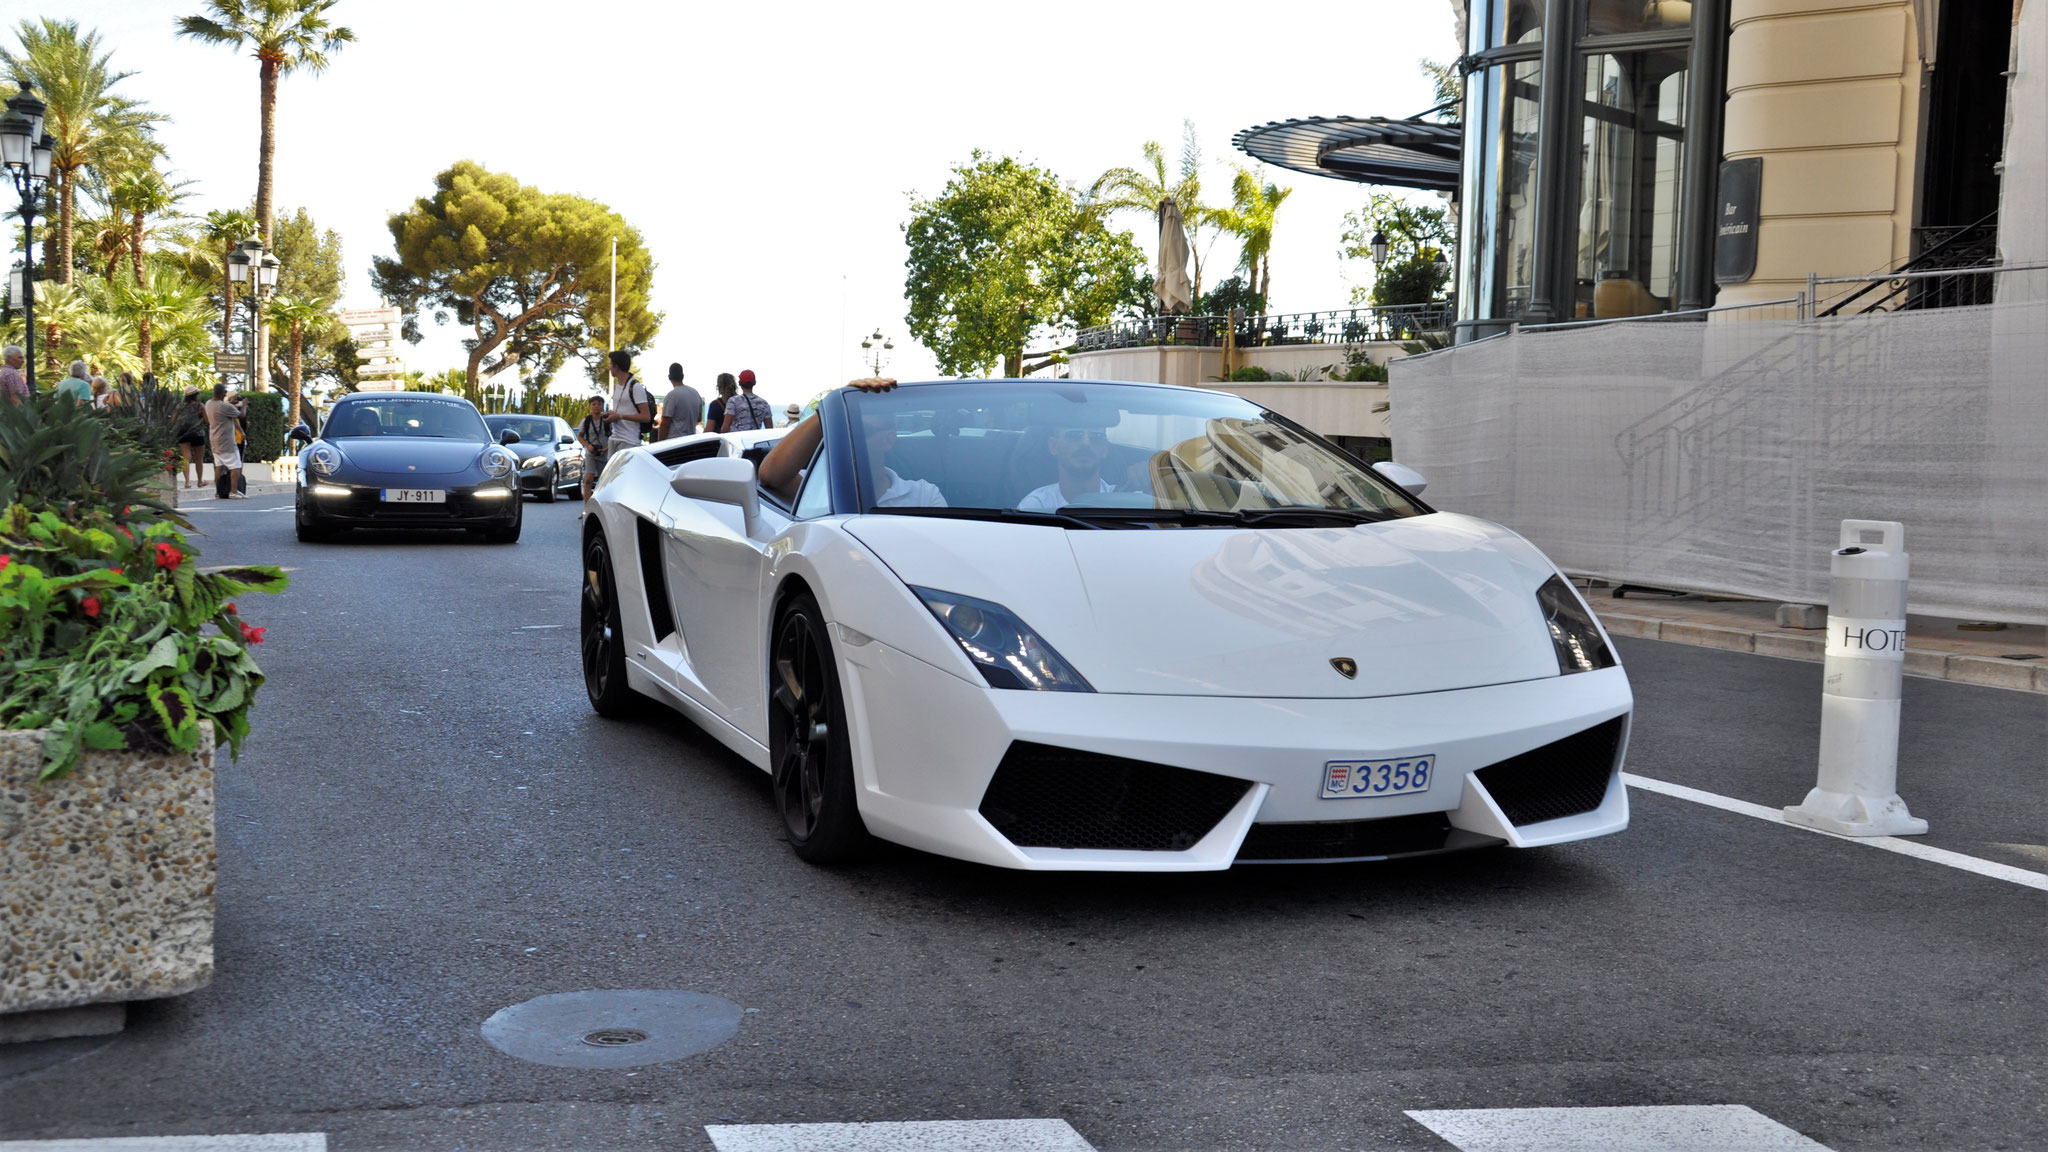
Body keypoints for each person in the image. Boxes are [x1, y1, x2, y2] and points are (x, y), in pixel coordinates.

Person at [758, 378, 945, 509]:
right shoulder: (822, 488)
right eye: (846, 427)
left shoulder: (923, 496)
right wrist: (837, 404)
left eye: (863, 429)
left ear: (888, 440)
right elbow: (771, 475)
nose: (851, 436)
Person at [1016, 424, 1119, 511]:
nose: (1086, 443)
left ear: (1105, 449)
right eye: (1074, 435)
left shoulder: (1124, 501)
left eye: (1096, 437)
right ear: (1054, 446)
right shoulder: (1035, 506)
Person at [601, 349, 652, 455]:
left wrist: (620, 416)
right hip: (614, 439)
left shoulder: (636, 387)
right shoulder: (617, 386)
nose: (609, 367)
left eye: (610, 364)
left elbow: (646, 417)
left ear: (616, 366)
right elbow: (620, 411)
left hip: (629, 442)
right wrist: (610, 415)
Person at [204, 384, 249, 498]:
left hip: (214, 440)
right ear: (220, 393)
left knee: (218, 466)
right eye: (224, 392)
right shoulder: (225, 407)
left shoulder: (208, 404)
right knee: (235, 466)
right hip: (227, 442)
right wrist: (244, 405)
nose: (225, 394)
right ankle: (233, 491)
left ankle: (218, 491)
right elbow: (241, 415)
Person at [172, 389, 209, 488]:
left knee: (186, 458)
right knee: (199, 459)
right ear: (196, 395)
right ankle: (200, 481)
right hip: (197, 433)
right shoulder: (200, 405)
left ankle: (187, 482)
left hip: (183, 433)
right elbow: (207, 420)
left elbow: (173, 420)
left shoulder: (180, 406)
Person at [656, 362, 703, 440]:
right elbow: (699, 418)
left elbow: (665, 423)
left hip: (675, 441)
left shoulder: (671, 396)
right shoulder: (695, 393)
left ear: (669, 377)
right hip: (690, 440)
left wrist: (659, 444)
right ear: (683, 376)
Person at [576, 394, 609, 504]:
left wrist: (606, 448)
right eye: (594, 404)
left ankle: (601, 506)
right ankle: (586, 507)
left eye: (599, 404)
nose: (596, 407)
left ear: (602, 406)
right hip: (591, 453)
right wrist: (588, 445)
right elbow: (580, 436)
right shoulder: (586, 421)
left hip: (604, 454)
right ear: (590, 406)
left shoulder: (607, 420)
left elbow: (614, 437)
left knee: (603, 481)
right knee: (588, 479)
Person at [721, 368, 773, 432]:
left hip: (736, 440)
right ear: (754, 383)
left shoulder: (733, 401)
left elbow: (725, 428)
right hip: (754, 440)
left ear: (739, 383)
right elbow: (770, 429)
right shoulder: (764, 403)